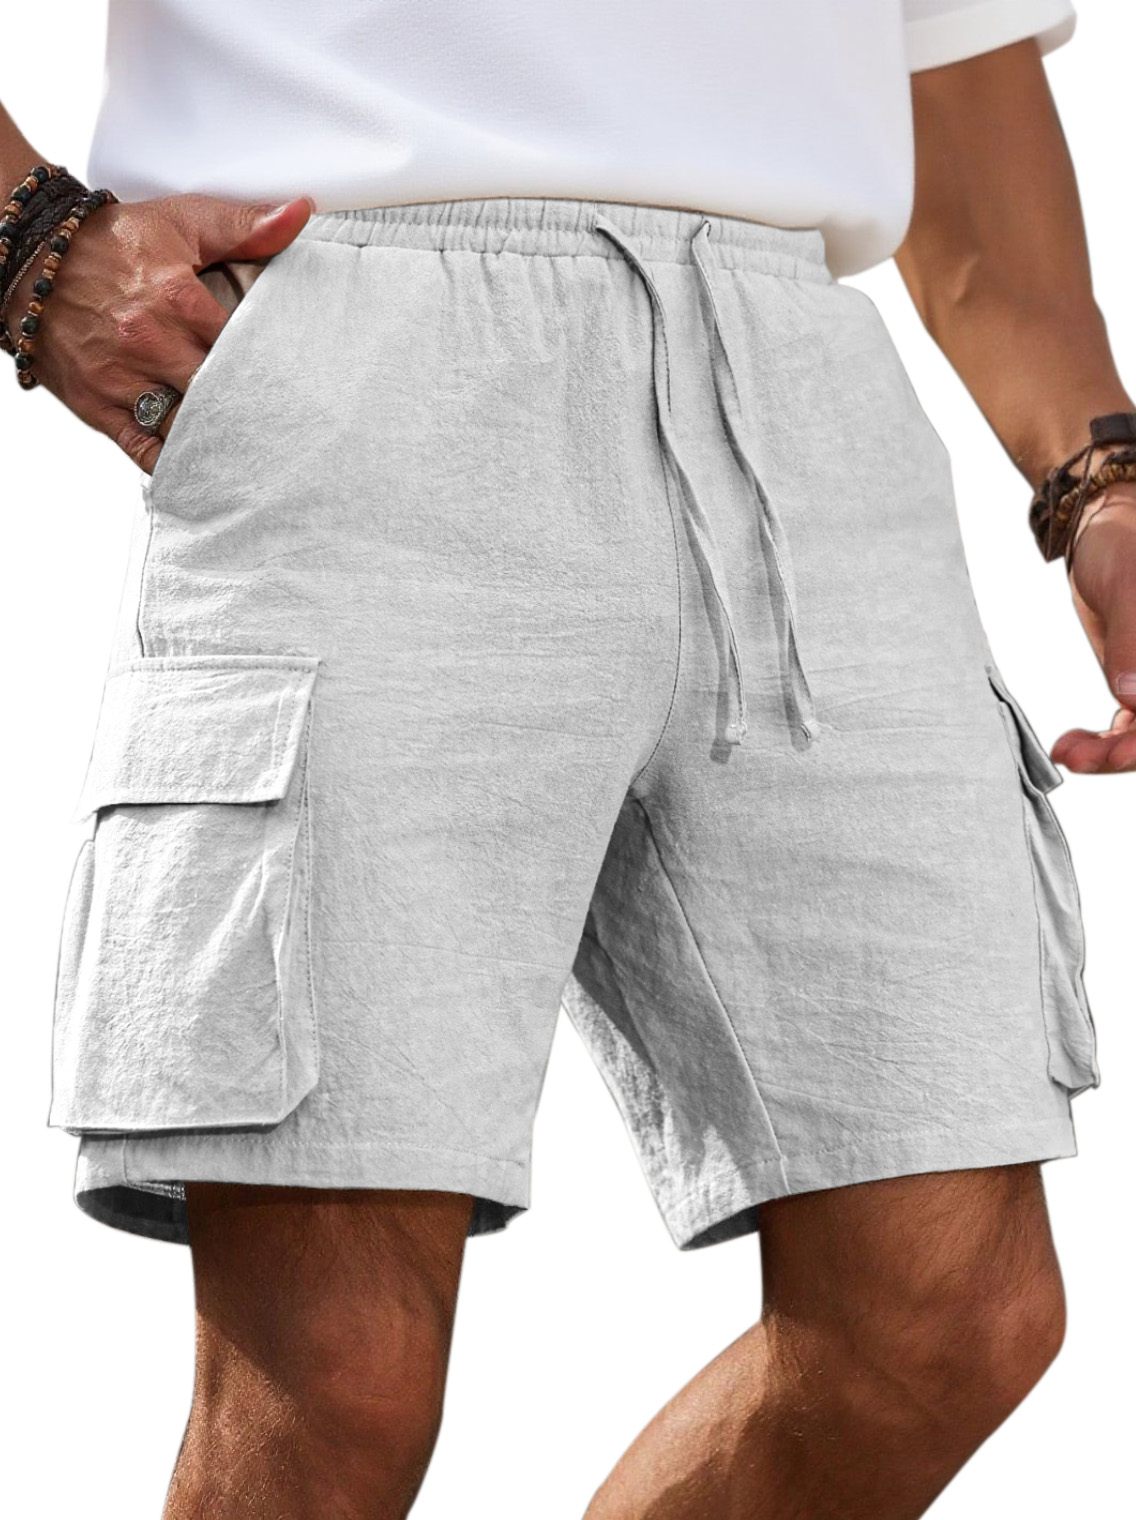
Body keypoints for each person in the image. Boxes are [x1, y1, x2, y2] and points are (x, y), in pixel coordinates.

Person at [4, 2, 1132, 1515]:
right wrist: (28, 237)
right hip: (358, 327)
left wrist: (1098, 474)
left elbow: (952, 50)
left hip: (806, 389)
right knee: (335, 1376)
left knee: (947, 1314)